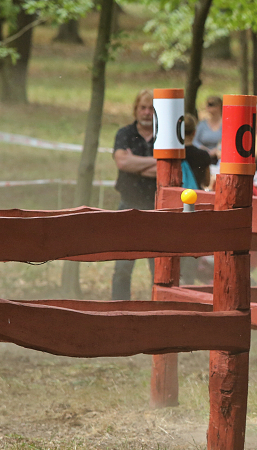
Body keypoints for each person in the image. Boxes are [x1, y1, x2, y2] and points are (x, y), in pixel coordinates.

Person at [111, 89, 157, 300]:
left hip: (158, 211)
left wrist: (135, 162)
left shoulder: (164, 135)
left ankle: (160, 314)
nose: (147, 112)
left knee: (158, 270)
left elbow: (170, 168)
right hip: (128, 208)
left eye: (151, 108)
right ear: (136, 109)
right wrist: (156, 162)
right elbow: (121, 162)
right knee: (122, 268)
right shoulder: (125, 133)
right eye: (143, 107)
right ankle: (117, 311)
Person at [183, 114, 211, 189]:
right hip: (195, 195)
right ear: (194, 132)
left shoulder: (174, 154)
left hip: (178, 195)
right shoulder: (203, 155)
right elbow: (207, 182)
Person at [193, 95, 223, 164]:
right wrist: (203, 149)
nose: (208, 107)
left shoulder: (225, 124)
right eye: (208, 105)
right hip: (203, 157)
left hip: (219, 158)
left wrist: (217, 150)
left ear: (219, 106)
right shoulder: (202, 124)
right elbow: (194, 140)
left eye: (211, 104)